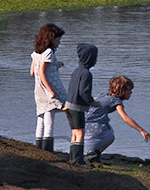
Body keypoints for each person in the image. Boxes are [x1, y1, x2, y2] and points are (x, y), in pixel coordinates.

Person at [84, 75, 150, 164]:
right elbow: (125, 118)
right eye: (130, 90)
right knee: (111, 136)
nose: (131, 93)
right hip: (95, 125)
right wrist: (141, 130)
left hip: (84, 123)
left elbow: (88, 99)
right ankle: (93, 155)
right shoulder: (116, 101)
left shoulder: (102, 95)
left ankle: (90, 154)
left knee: (106, 132)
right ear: (122, 90)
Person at [30, 23, 67, 152]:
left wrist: (56, 65)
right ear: (51, 38)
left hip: (38, 90)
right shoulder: (49, 52)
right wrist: (50, 90)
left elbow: (32, 72)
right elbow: (41, 72)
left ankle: (38, 147)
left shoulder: (37, 52)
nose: (59, 42)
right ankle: (47, 149)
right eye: (58, 39)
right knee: (49, 118)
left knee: (40, 117)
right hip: (48, 90)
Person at [64, 43, 99, 165]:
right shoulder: (86, 73)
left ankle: (72, 157)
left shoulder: (76, 71)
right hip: (77, 107)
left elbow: (72, 89)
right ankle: (78, 159)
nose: (96, 60)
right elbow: (84, 92)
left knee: (74, 132)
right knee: (80, 132)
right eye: (95, 57)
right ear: (89, 58)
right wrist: (93, 102)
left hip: (69, 105)